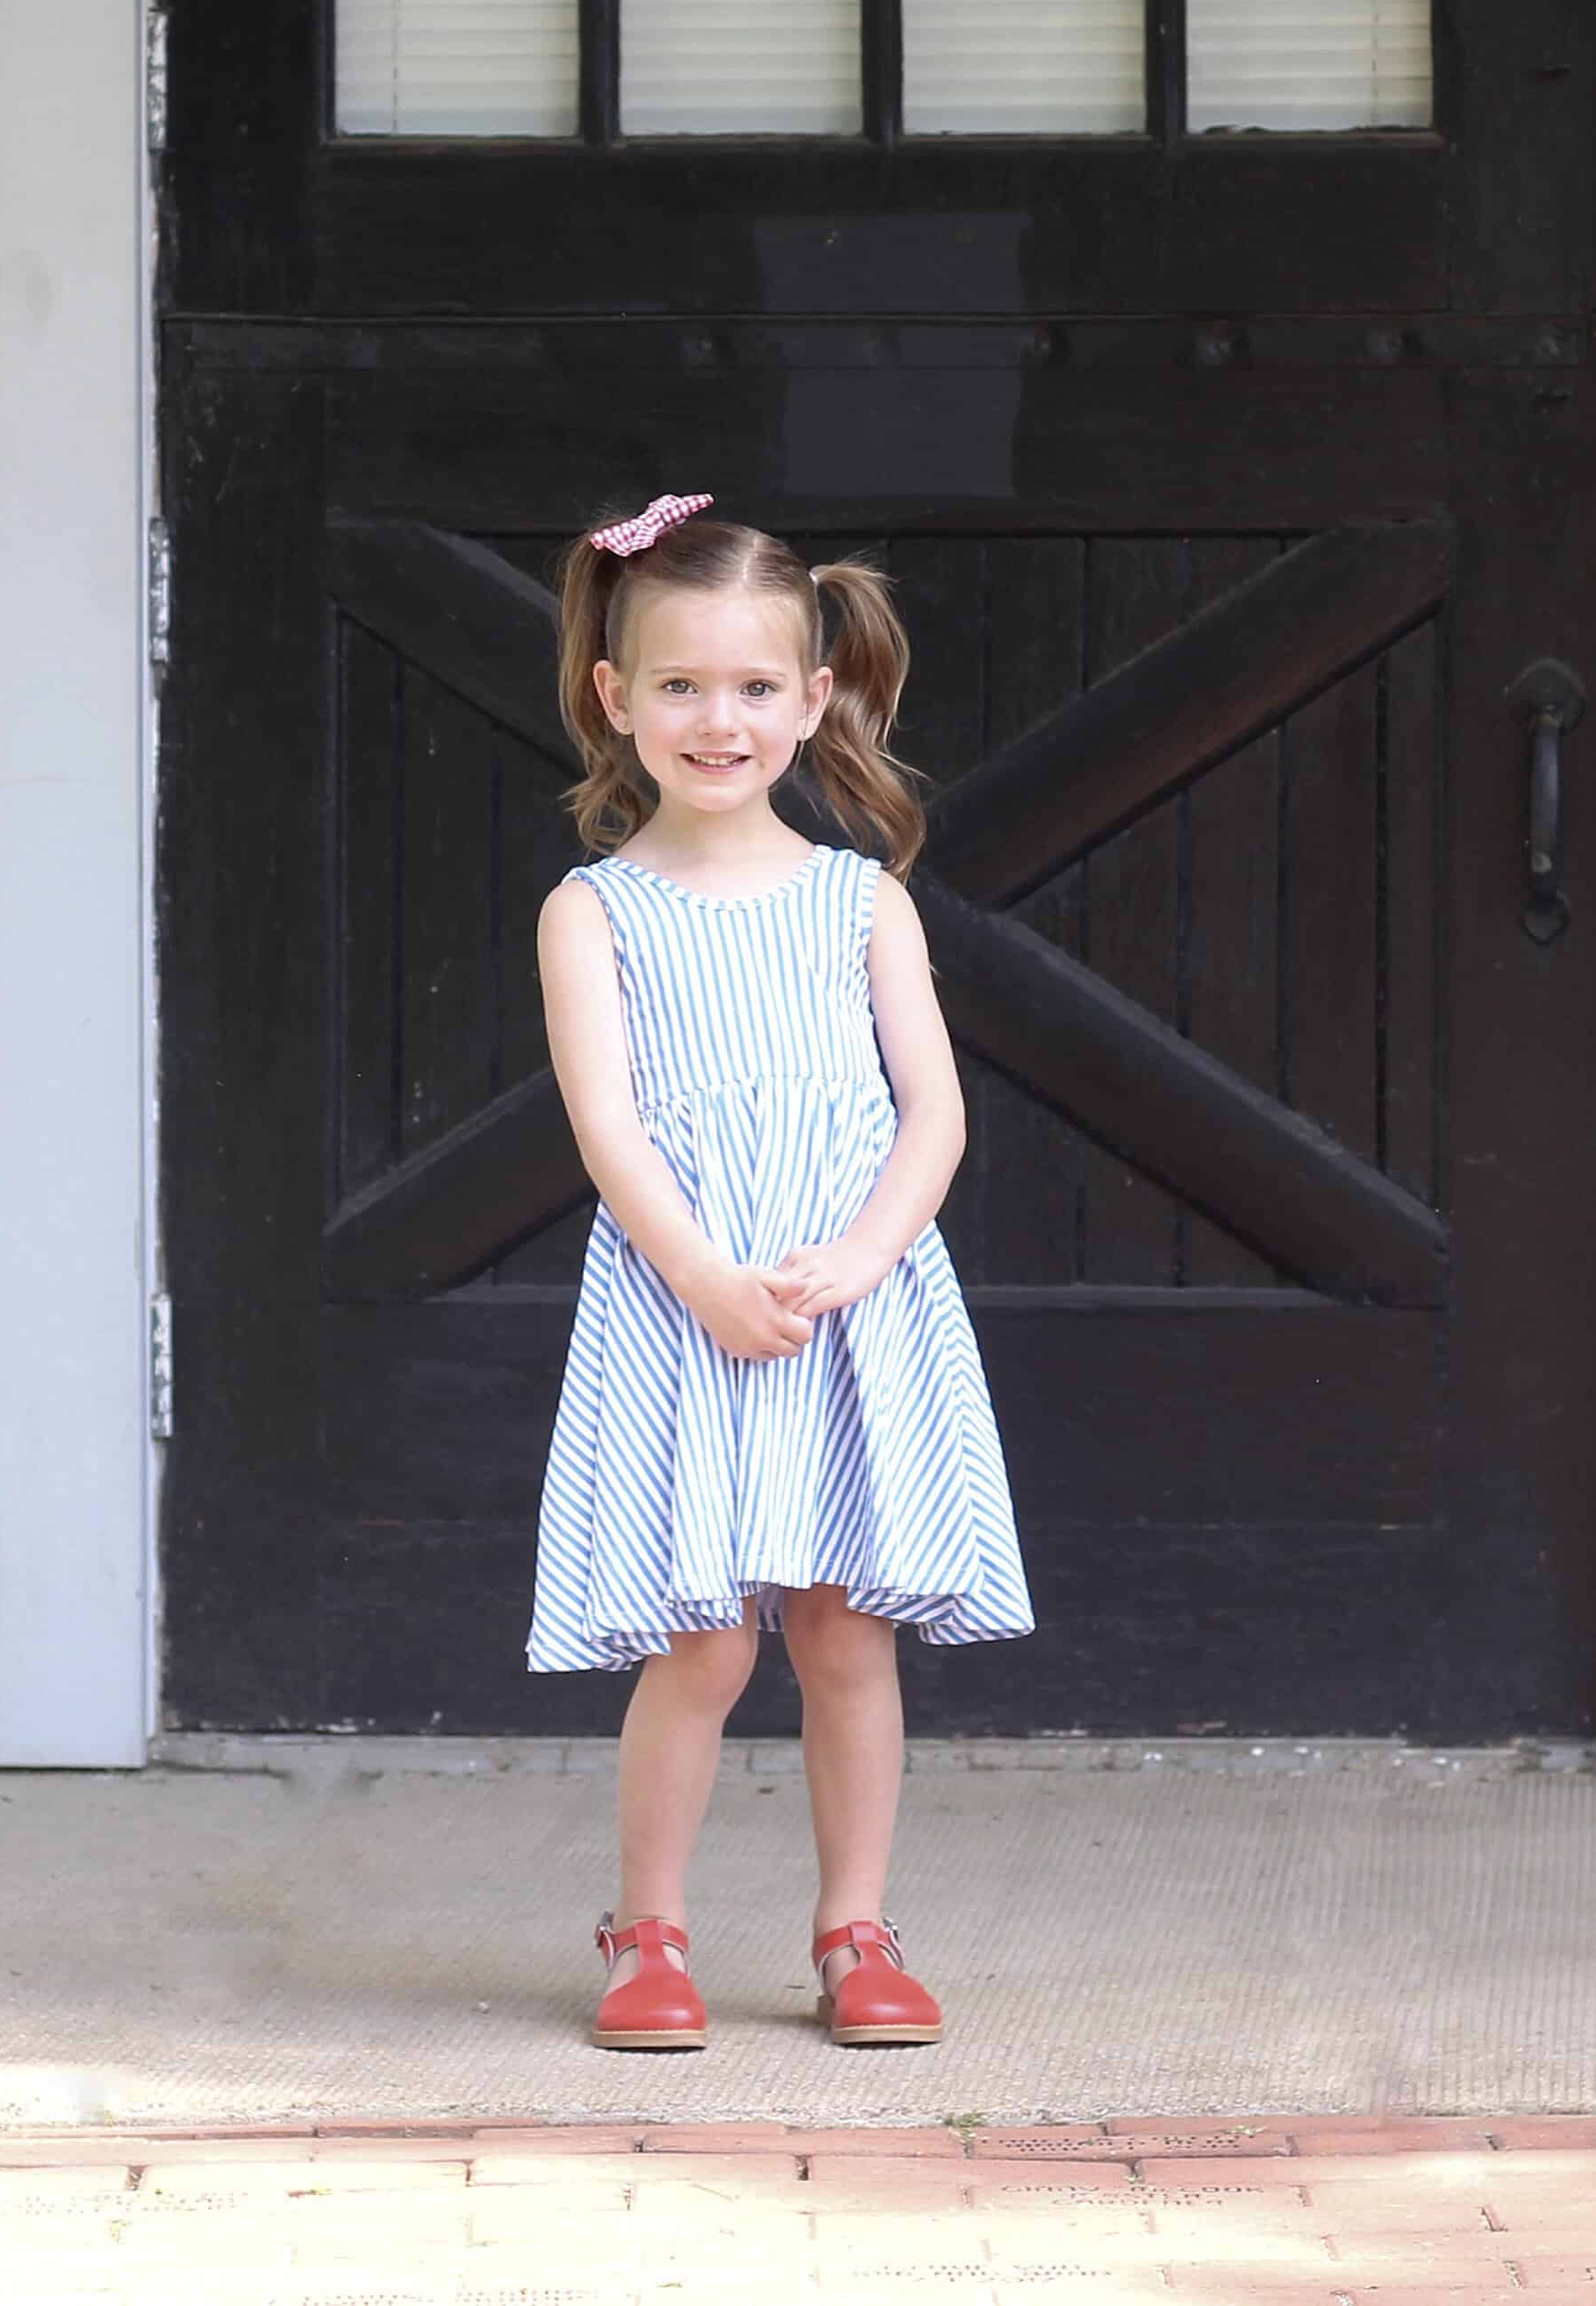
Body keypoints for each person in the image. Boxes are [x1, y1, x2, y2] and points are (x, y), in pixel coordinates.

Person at [528, 492, 1032, 2053]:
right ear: (616, 698)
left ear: (816, 700)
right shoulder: (593, 909)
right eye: (678, 684)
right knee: (706, 1638)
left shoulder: (855, 899)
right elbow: (606, 1127)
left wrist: (864, 1256)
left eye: (754, 686)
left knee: (838, 1629)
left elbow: (933, 1109)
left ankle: (853, 1928)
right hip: (691, 1308)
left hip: (845, 1303)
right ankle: (648, 1932)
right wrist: (703, 1278)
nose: (717, 718)